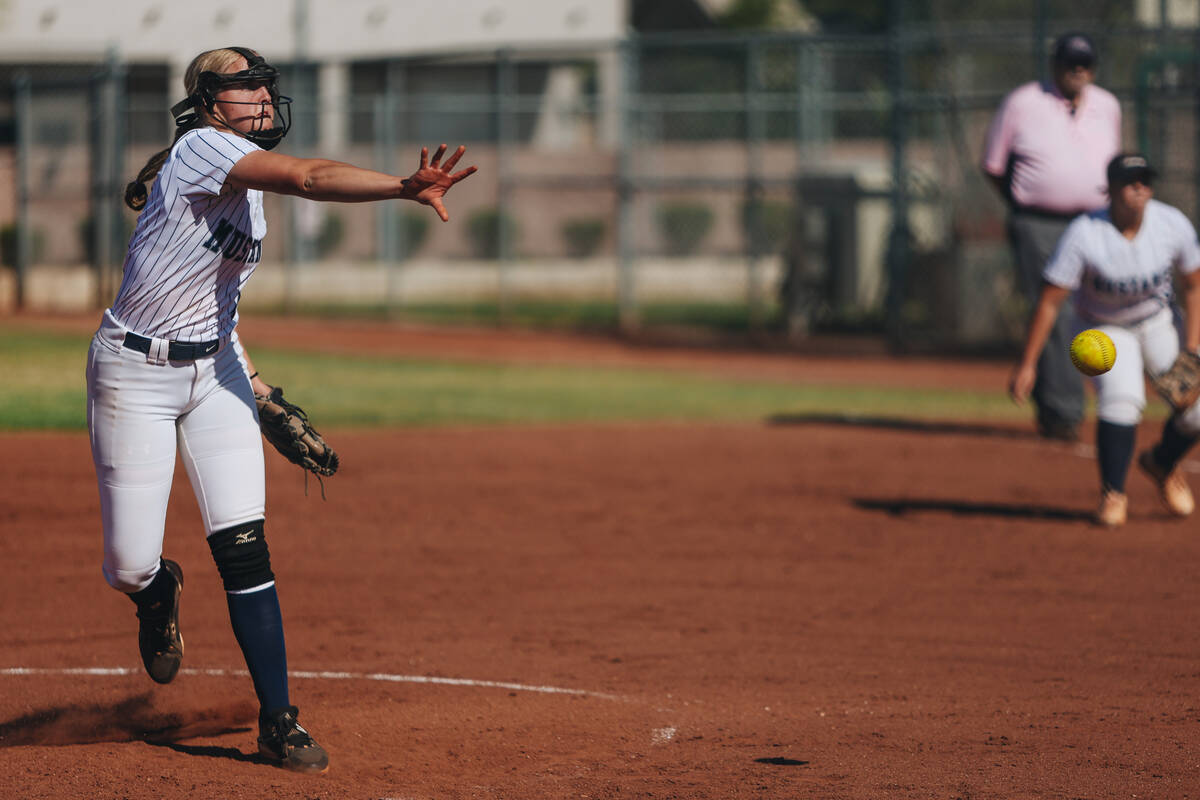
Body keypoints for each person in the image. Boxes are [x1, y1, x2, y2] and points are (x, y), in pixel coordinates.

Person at [86, 46, 476, 773]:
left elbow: (216, 306)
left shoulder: (246, 189)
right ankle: (155, 590)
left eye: (265, 85)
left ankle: (279, 722)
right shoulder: (206, 149)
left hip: (216, 374)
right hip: (133, 372)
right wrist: (399, 186)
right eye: (243, 86)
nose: (262, 98)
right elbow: (310, 175)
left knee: (244, 549)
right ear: (206, 102)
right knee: (127, 563)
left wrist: (259, 391)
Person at [1008, 154, 1200, 528]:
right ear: (1110, 190)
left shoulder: (1170, 223)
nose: (1140, 188)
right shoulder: (1085, 232)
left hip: (1158, 320)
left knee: (1197, 410)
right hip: (1102, 329)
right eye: (1131, 181)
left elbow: (1194, 285)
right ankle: (1113, 493)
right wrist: (1029, 363)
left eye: (1145, 180)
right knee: (1122, 400)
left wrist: (1194, 347)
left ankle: (1161, 463)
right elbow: (1050, 302)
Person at [983, 32, 1122, 442]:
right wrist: (1023, 202)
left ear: (1093, 68)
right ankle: (1063, 412)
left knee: (1096, 310)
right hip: (1039, 223)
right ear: (1055, 65)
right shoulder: (1022, 101)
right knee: (1055, 311)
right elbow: (993, 165)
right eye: (1069, 63)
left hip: (1096, 221)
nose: (1077, 71)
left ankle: (1099, 400)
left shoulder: (1108, 105)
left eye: (1084, 64)